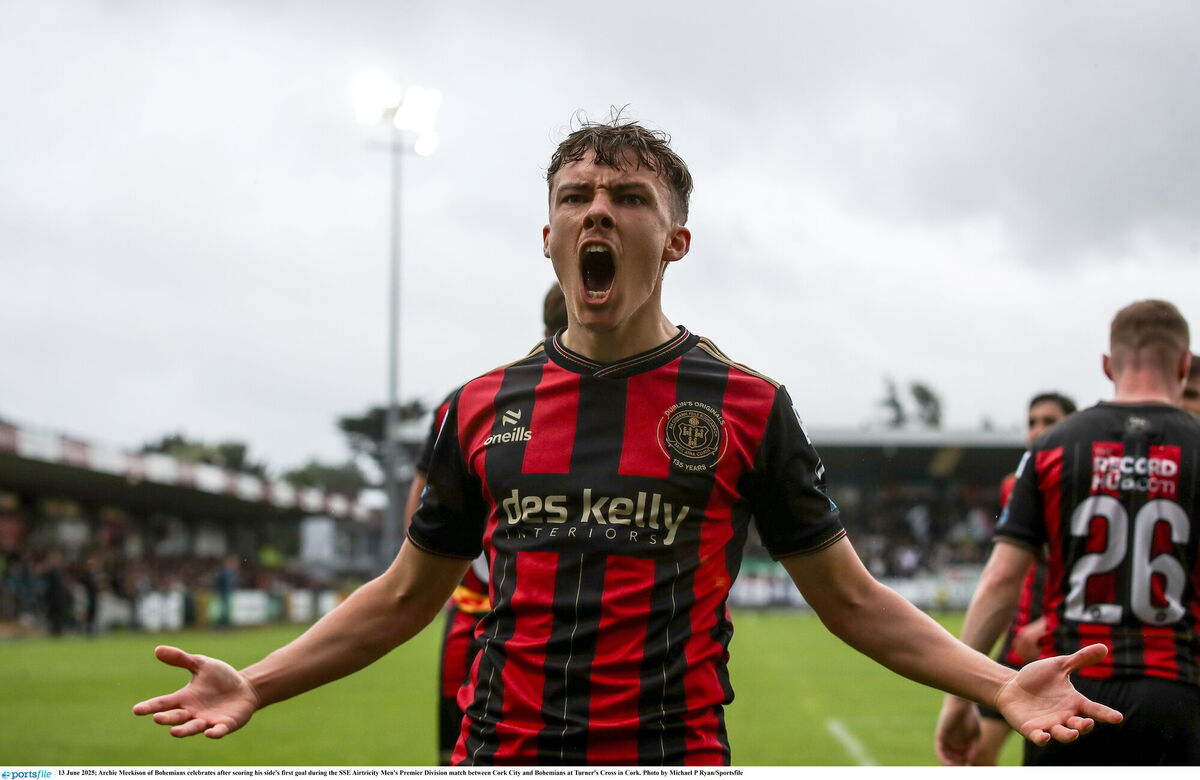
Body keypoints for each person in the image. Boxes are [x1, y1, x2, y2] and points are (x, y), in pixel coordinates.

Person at [134, 117, 1120, 765]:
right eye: (576, 196)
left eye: (629, 196)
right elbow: (401, 596)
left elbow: (853, 601)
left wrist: (999, 685)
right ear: (550, 236)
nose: (597, 207)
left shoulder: (747, 405)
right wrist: (256, 683)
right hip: (504, 760)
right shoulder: (476, 408)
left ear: (675, 240)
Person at [936, 299, 1199, 766]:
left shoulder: (1053, 448)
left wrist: (958, 700)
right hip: (1178, 692)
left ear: (1106, 365)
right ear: (1184, 363)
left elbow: (1000, 581)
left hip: (1065, 693)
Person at [402, 282, 568, 765]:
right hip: (546, 619)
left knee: (458, 749)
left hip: (474, 610)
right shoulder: (481, 400)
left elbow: (421, 498)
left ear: (541, 329)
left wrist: (420, 568)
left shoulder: (471, 399)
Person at [972, 391, 1075, 765]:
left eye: (1050, 421)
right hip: (1017, 638)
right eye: (1032, 422)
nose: (1038, 430)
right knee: (977, 755)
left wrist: (1049, 621)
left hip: (1056, 639)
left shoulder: (1080, 485)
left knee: (1048, 756)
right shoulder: (1012, 486)